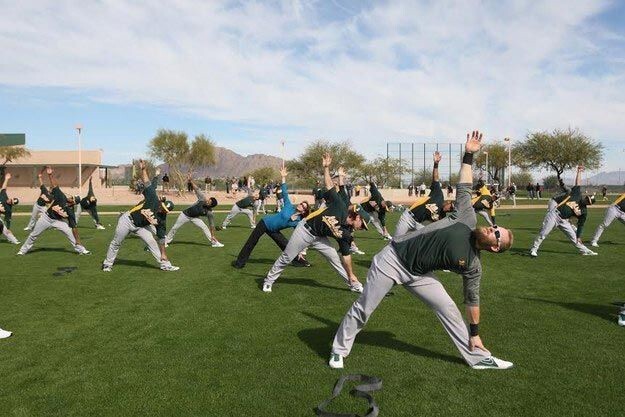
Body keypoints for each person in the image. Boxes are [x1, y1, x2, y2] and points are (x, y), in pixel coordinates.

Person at [329, 130, 514, 371]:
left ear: (496, 248)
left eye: (498, 234)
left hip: (419, 274)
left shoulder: (473, 265)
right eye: (496, 227)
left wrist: (475, 333)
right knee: (365, 307)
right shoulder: (466, 218)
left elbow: (472, 299)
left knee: (447, 307)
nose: (494, 228)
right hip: (394, 259)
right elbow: (465, 185)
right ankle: (338, 350)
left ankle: (477, 359)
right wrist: (468, 154)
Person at [262, 154, 369, 293]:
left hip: (319, 238)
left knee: (335, 260)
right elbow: (330, 185)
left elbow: (346, 257)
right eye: (363, 225)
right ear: (357, 217)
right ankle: (268, 280)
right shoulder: (340, 206)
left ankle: (353, 284)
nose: (362, 228)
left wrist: (351, 274)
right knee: (287, 257)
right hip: (305, 230)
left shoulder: (347, 234)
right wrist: (326, 168)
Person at [101, 160, 179, 272]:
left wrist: (163, 253)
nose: (162, 210)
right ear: (161, 204)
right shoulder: (153, 198)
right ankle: (107, 264)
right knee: (116, 242)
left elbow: (161, 238)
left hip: (141, 227)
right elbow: (147, 182)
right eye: (163, 207)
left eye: (165, 210)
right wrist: (143, 169)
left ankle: (165, 265)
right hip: (128, 220)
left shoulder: (162, 219)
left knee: (152, 242)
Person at [232, 167, 310, 268]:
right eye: (301, 203)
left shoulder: (298, 221)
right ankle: (239, 263)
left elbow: (298, 236)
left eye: (303, 206)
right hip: (264, 223)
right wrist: (283, 177)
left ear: (304, 211)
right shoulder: (289, 206)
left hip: (274, 230)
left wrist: (301, 250)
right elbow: (285, 192)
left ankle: (298, 260)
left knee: (286, 244)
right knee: (251, 242)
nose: (300, 205)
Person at [18, 167, 90, 256]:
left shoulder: (70, 212)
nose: (71, 197)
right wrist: (50, 175)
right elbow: (55, 185)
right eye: (72, 196)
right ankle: (22, 251)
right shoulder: (61, 197)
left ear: (74, 202)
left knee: (69, 233)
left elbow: (74, 227)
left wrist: (78, 240)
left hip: (58, 221)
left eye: (73, 198)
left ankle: (81, 249)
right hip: (46, 218)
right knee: (34, 234)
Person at [529, 166, 597, 257]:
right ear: (586, 196)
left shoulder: (584, 212)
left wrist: (579, 236)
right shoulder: (577, 194)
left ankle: (585, 251)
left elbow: (580, 225)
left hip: (564, 221)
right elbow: (578, 183)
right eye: (587, 198)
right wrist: (579, 172)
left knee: (574, 238)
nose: (586, 201)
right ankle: (534, 249)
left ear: (590, 204)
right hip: (555, 214)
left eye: (588, 201)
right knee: (544, 233)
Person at [394, 151, 454, 237]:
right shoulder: (438, 195)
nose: (450, 209)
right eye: (451, 207)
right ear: (448, 202)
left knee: (425, 239)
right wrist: (436, 164)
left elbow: (441, 226)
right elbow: (436, 178)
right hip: (408, 217)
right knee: (396, 241)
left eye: (451, 210)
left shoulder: (442, 216)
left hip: (418, 224)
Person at [166, 175, 223, 248]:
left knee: (204, 227)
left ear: (211, 206)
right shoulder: (202, 198)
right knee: (175, 227)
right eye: (209, 200)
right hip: (185, 215)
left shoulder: (209, 213)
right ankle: (166, 241)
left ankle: (214, 242)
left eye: (209, 202)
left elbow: (211, 225)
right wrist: (191, 181)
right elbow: (197, 189)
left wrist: (213, 235)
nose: (207, 202)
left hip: (195, 218)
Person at [0, 172, 21, 245]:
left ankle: (15, 241)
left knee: (4, 229)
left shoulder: (8, 209)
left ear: (12, 204)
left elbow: (8, 220)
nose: (10, 201)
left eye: (12, 202)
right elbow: (3, 188)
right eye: (12, 199)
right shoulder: (4, 196)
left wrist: (8, 228)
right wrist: (6, 179)